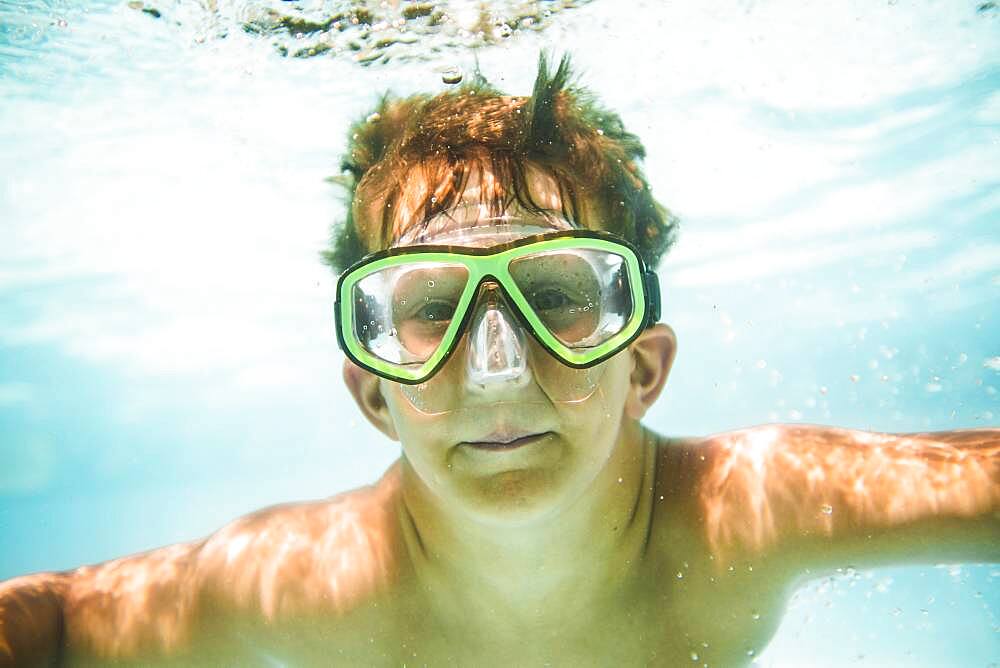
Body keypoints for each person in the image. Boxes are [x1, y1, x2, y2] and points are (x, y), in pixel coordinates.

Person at [1, 54, 997, 667]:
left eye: (556, 295)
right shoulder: (311, 580)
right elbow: (52, 624)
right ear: (371, 391)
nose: (496, 367)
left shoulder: (751, 507)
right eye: (433, 307)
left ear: (644, 365)